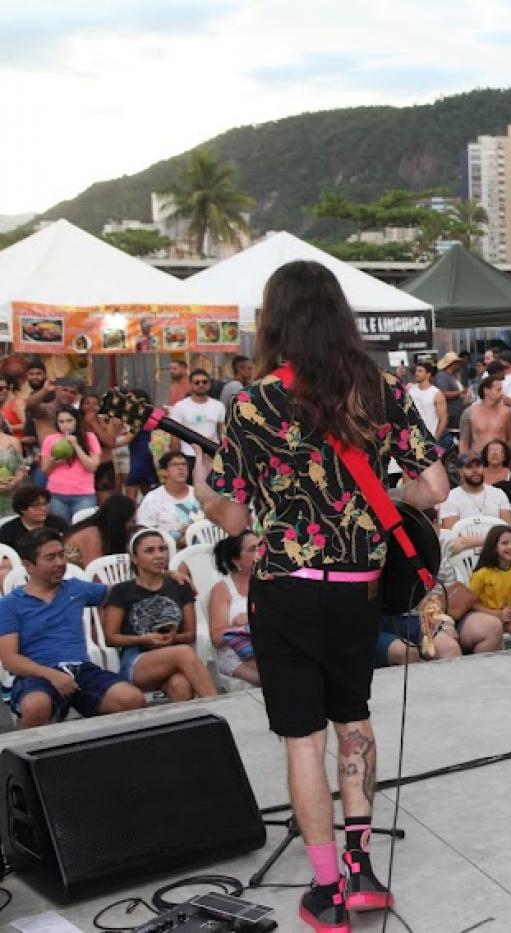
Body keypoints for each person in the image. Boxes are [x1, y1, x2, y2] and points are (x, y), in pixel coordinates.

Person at [196, 259, 448, 929]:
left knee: (303, 739)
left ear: (273, 318)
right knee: (353, 720)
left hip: (287, 591)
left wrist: (201, 487)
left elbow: (232, 514)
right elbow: (438, 488)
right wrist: (384, 498)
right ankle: (363, 871)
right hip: (359, 591)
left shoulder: (252, 402)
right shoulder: (381, 387)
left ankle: (327, 886)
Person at [0, 528, 147, 728]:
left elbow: (124, 592)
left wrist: (166, 576)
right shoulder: (9, 604)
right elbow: (10, 660)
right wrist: (51, 675)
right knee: (36, 706)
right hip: (37, 675)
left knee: (132, 699)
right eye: (50, 558)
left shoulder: (75, 588)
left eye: (62, 555)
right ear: (28, 566)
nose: (60, 563)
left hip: (81, 670)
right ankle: (27, 757)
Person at [101, 529, 218, 701]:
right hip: (137, 659)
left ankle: (188, 727)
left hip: (173, 654)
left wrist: (173, 638)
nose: (159, 555)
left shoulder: (179, 585)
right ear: (134, 558)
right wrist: (144, 639)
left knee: (180, 685)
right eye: (150, 551)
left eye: (162, 549)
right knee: (183, 653)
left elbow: (190, 634)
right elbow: (111, 638)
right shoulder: (122, 591)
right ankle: (220, 707)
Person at [458, 525, 511, 653]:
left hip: (506, 617)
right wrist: (496, 614)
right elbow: (471, 603)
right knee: (493, 632)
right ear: (494, 547)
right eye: (504, 543)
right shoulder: (482, 573)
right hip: (485, 616)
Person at [209, 531, 260, 686]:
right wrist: (240, 625)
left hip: (268, 647)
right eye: (252, 549)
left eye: (261, 546)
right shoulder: (223, 589)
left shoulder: (269, 581)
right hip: (236, 654)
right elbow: (217, 638)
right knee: (277, 679)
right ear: (236, 560)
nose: (260, 553)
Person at [440, 454, 511, 552]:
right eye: (469, 467)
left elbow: (507, 528)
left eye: (478, 466)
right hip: (465, 552)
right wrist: (487, 542)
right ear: (461, 472)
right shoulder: (451, 497)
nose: (475, 471)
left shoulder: (498, 493)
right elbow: (451, 535)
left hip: (496, 551)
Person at [40, 406, 100, 523]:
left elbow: (92, 467)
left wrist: (76, 446)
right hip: (56, 494)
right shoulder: (50, 440)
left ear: (76, 421)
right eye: (61, 422)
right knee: (61, 529)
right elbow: (45, 471)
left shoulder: (89, 438)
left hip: (83, 494)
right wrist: (53, 461)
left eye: (69, 421)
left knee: (82, 529)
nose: (65, 425)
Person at [136, 452, 203, 547]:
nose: (181, 468)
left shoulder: (200, 495)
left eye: (184, 464)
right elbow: (144, 531)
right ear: (164, 472)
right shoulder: (152, 499)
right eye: (175, 465)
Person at [62, 493, 137, 567]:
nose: (132, 524)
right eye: (129, 520)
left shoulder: (105, 533)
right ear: (119, 520)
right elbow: (94, 570)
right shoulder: (92, 534)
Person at [168, 368, 226, 457]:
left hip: (212, 454)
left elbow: (223, 432)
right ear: (190, 385)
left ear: (209, 384)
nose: (201, 385)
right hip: (189, 455)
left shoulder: (218, 406)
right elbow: (175, 437)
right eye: (197, 382)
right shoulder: (180, 406)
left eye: (204, 382)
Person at [0, 485, 68, 556]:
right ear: (22, 509)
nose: (43, 508)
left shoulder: (58, 523)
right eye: (36, 506)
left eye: (45, 504)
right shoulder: (8, 530)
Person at [459, 374, 511, 459]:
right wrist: (465, 462)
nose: (502, 393)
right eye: (498, 390)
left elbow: (510, 439)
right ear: (486, 391)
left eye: (502, 390)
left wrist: (508, 460)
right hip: (477, 458)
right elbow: (463, 442)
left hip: (500, 459)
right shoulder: (470, 413)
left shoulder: (506, 412)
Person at [407, 361, 447, 441]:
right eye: (416, 371)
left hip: (428, 437)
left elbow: (443, 419)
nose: (417, 373)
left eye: (420, 371)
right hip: (411, 437)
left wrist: (435, 438)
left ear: (428, 374)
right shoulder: (410, 389)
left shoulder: (436, 393)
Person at [432, 352, 467, 438]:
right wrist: (461, 392)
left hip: (456, 416)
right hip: (450, 417)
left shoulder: (452, 376)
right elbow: (443, 393)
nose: (459, 365)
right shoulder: (442, 377)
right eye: (457, 363)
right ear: (453, 364)